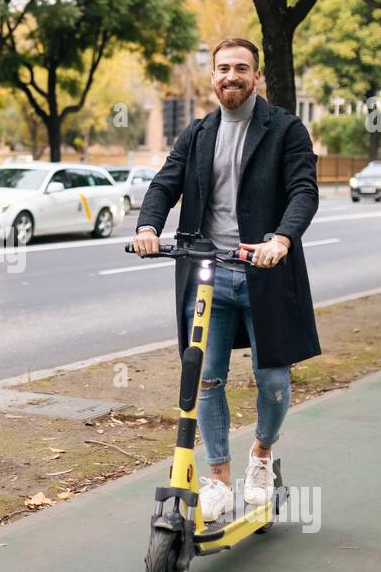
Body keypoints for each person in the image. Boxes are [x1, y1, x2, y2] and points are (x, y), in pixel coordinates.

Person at [133, 37, 320, 522]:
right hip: (206, 276)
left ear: (256, 76)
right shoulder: (197, 133)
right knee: (206, 377)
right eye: (222, 69)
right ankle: (217, 477)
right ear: (211, 77)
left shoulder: (285, 129)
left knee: (272, 379)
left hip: (264, 274)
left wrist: (281, 239)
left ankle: (261, 455)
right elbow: (164, 184)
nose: (230, 76)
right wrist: (149, 226)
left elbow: (304, 190)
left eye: (241, 68)